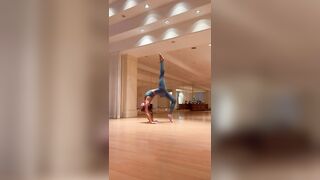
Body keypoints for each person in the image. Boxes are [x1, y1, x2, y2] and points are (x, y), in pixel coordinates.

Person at [140, 54, 176, 123]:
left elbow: (148, 112)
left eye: (142, 105)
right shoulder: (147, 102)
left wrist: (152, 120)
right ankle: (162, 61)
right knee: (161, 75)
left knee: (174, 100)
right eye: (142, 106)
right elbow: (147, 112)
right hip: (161, 89)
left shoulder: (147, 100)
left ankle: (170, 114)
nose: (141, 105)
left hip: (161, 92)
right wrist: (151, 122)